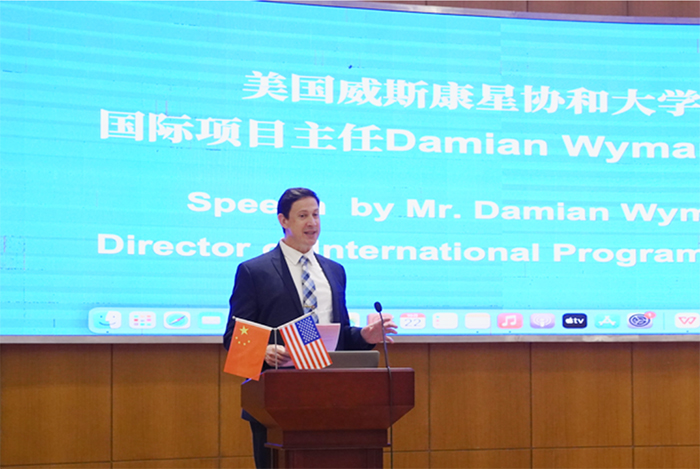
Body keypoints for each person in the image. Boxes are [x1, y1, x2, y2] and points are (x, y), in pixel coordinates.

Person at [223, 187, 397, 469]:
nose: (312, 223)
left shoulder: (334, 271)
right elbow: (233, 337)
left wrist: (365, 336)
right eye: (303, 215)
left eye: (316, 215)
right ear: (283, 220)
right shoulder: (255, 271)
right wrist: (264, 350)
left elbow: (338, 336)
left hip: (334, 397)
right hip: (276, 401)